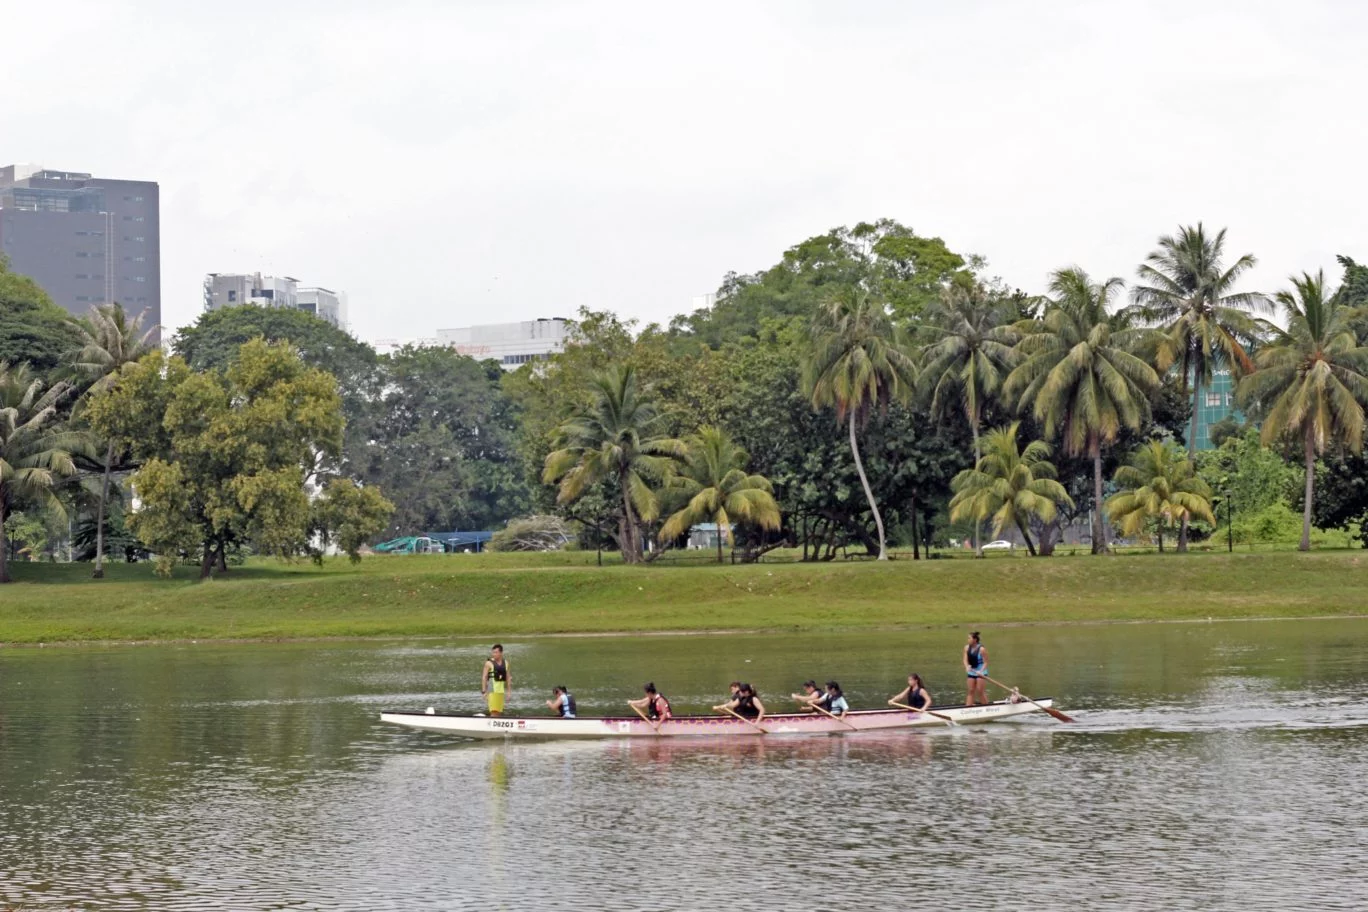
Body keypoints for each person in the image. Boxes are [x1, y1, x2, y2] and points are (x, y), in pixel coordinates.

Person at [481, 644, 511, 716]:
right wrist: (484, 691)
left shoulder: (506, 663)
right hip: (492, 691)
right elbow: (484, 677)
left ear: (501, 653)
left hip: (501, 691)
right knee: (494, 712)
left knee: (499, 712)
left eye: (496, 652)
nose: (493, 654)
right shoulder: (488, 663)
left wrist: (509, 692)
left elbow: (508, 678)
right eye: (493, 652)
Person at [964, 631, 988, 706]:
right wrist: (967, 666)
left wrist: (981, 671)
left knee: (980, 691)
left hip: (981, 672)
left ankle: (986, 707)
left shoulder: (982, 649)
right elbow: (965, 660)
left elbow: (986, 662)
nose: (968, 640)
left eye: (969, 638)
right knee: (971, 690)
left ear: (975, 640)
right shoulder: (966, 648)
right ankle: (968, 707)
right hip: (971, 671)